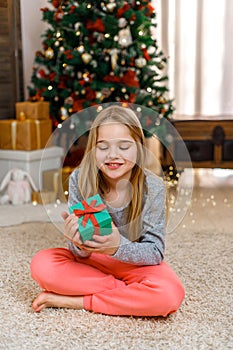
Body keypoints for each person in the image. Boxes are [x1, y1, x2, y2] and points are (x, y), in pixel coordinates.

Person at [30, 105, 185, 316]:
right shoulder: (81, 179)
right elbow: (80, 253)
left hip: (134, 264)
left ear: (139, 148)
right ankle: (130, 296)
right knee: (42, 265)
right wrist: (78, 244)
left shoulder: (152, 186)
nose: (113, 155)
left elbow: (155, 252)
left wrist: (117, 247)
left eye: (124, 146)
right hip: (92, 263)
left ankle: (78, 301)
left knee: (168, 294)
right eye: (103, 147)